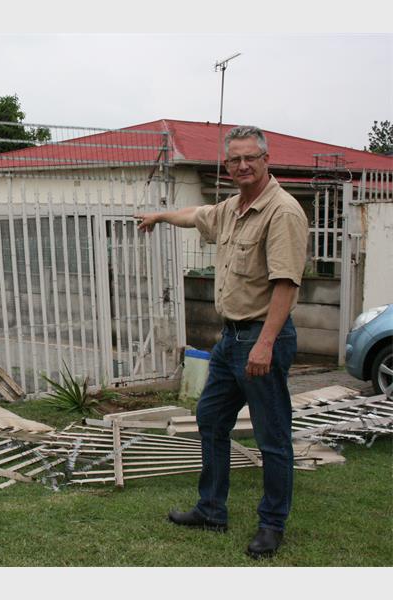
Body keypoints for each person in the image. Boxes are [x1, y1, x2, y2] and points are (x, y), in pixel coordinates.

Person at [137, 125, 308, 559]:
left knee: (272, 437)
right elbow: (196, 214)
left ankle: (272, 525)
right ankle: (211, 509)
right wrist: (159, 217)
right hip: (229, 339)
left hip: (261, 337)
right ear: (227, 164)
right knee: (211, 419)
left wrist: (265, 344)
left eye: (250, 157)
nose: (243, 165)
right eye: (235, 159)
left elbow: (286, 284)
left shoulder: (282, 212)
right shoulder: (233, 207)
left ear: (266, 159)